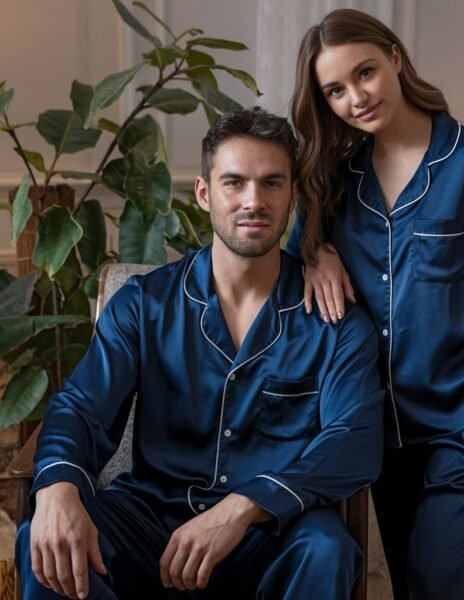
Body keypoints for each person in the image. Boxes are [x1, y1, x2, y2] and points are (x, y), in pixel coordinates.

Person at [15, 107, 385, 600]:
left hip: (268, 532)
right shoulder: (144, 305)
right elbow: (81, 406)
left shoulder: (336, 321)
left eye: (272, 183)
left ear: (294, 195)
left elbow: (353, 440)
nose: (253, 201)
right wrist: (58, 487)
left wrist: (240, 507)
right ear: (205, 193)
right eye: (234, 183)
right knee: (44, 543)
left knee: (327, 548)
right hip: (149, 523)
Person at [286, 9, 464, 600]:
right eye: (335, 90)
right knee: (412, 584)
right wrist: (315, 251)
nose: (356, 98)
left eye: (366, 73)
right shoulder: (335, 179)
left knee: (437, 581)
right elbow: (283, 277)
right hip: (381, 433)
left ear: (396, 59)